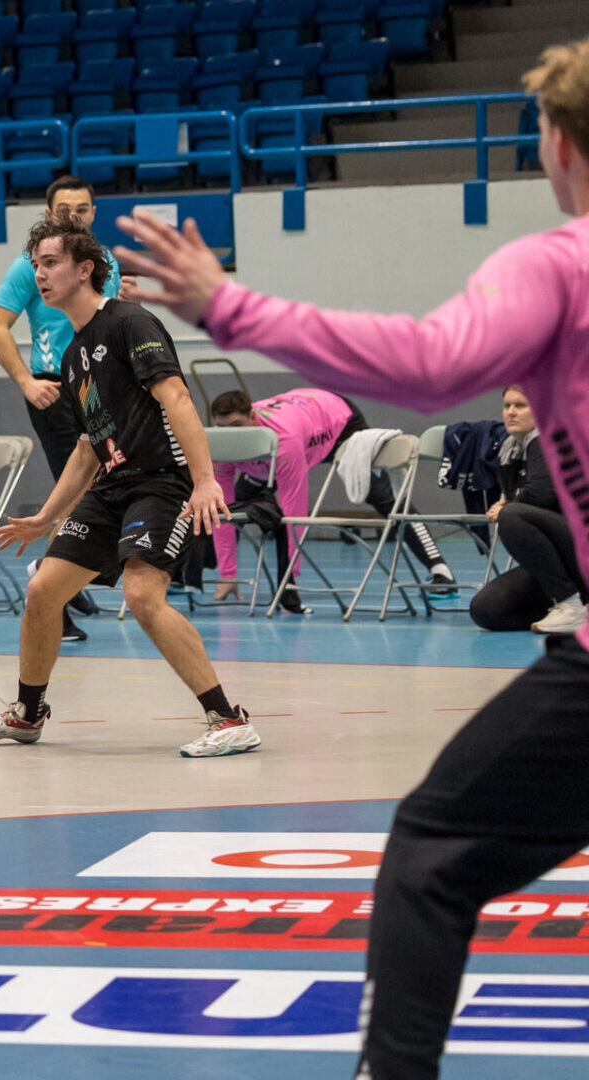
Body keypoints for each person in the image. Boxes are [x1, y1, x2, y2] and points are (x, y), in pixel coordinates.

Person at [113, 36, 589, 1078]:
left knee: (431, 850)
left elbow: (429, 365)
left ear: (557, 145)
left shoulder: (560, 264)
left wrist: (229, 305)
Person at [0, 218, 259, 759]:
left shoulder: (130, 323)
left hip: (161, 483)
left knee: (142, 594)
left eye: (50, 264)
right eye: (36, 266)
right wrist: (46, 517)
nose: (39, 275)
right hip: (111, 485)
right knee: (43, 590)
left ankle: (228, 719)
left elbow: (177, 398)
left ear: (85, 269)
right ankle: (27, 715)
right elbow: (85, 449)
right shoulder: (72, 357)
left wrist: (204, 480)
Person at [0, 175, 128, 643]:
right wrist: (27, 382)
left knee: (102, 489)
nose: (74, 217)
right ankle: (51, 593)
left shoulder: (105, 262)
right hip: (55, 389)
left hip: (100, 388)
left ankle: (65, 576)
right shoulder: (29, 267)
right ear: (49, 215)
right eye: (65, 211)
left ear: (94, 213)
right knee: (77, 493)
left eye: (82, 210)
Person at [208, 387, 457, 611]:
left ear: (252, 417)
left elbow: (294, 513)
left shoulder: (285, 441)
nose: (230, 435)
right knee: (236, 505)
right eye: (223, 428)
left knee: (383, 496)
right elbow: (222, 508)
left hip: (338, 423)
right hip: (284, 438)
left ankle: (440, 570)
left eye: (237, 426)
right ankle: (198, 572)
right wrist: (228, 574)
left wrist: (289, 582)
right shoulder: (222, 442)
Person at [469, 386, 585, 633]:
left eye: (520, 405)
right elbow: (523, 495)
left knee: (511, 516)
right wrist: (508, 502)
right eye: (507, 406)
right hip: (562, 560)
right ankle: (578, 608)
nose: (511, 412)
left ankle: (570, 604)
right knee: (487, 610)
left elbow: (543, 493)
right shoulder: (510, 449)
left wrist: (508, 506)